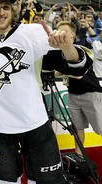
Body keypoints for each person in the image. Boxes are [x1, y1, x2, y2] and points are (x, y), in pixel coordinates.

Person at [0, 0, 93, 184]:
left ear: (13, 10)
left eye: (5, 7)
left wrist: (66, 46)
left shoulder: (33, 33)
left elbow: (78, 68)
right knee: (8, 181)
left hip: (34, 123)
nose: (1, 12)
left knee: (44, 180)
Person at [43, 21, 102, 156]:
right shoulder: (57, 55)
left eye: (64, 32)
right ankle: (79, 155)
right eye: (57, 31)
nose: (59, 34)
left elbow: (77, 74)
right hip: (73, 95)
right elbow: (61, 71)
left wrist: (59, 72)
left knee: (100, 128)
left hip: (91, 93)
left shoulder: (79, 52)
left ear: (73, 36)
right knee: (77, 128)